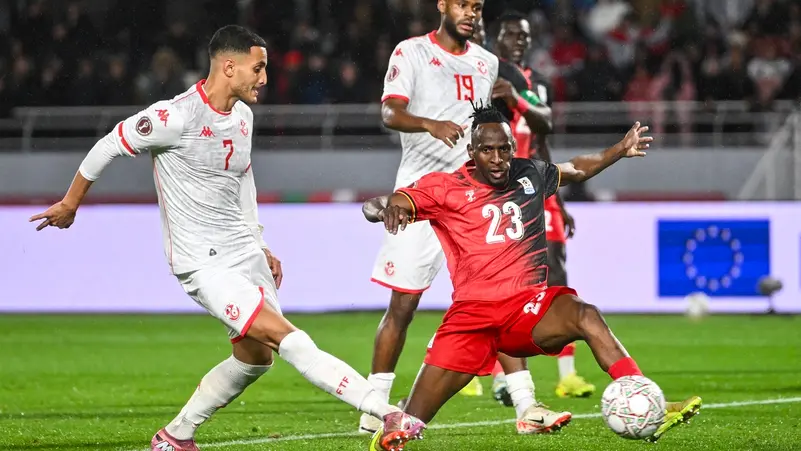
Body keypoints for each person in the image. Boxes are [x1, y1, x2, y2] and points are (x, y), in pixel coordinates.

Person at [28, 25, 425, 451]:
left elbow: (243, 180)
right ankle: (385, 411)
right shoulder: (173, 117)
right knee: (287, 337)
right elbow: (110, 143)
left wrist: (260, 242)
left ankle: (176, 435)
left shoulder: (243, 117)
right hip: (204, 263)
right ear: (229, 66)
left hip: (244, 251)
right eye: (259, 68)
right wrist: (71, 202)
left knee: (256, 358)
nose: (265, 79)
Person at [363, 103, 702, 450]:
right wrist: (384, 211)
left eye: (504, 149)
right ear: (471, 152)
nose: (498, 159)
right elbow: (382, 203)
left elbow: (575, 169)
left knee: (585, 314)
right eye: (487, 150)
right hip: (472, 320)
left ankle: (646, 399)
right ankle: (395, 417)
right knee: (407, 424)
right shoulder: (444, 187)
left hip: (526, 311)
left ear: (513, 147)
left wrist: (619, 149)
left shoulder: (529, 173)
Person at [489, 11, 595, 406]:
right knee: (500, 281)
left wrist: (558, 199)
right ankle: (492, 370)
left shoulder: (538, 84)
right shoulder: (485, 74)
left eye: (524, 35)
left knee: (557, 272)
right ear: (497, 37)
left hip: (537, 185)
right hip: (502, 190)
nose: (518, 40)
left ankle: (567, 375)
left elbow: (542, 139)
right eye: (511, 33)